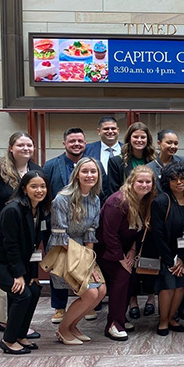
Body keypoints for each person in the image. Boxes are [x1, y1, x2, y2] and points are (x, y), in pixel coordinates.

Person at [0, 171, 51, 354]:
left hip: (13, 259)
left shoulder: (39, 209)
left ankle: (20, 335)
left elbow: (34, 246)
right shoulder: (13, 210)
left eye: (43, 186)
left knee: (34, 289)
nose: (39, 190)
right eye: (34, 186)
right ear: (24, 188)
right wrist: (18, 275)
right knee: (22, 294)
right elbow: (11, 245)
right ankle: (8, 341)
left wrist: (32, 276)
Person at [47, 157, 107, 345]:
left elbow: (91, 231)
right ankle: (63, 329)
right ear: (77, 174)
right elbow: (59, 234)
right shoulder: (62, 198)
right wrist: (81, 257)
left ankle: (73, 326)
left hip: (83, 250)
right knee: (89, 293)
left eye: (93, 171)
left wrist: (88, 257)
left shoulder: (95, 199)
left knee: (101, 290)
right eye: (85, 171)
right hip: (63, 250)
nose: (89, 175)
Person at [95, 166, 157, 341]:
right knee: (121, 278)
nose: (144, 185)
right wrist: (121, 258)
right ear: (131, 182)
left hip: (124, 249)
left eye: (148, 182)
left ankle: (120, 318)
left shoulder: (144, 201)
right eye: (140, 181)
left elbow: (138, 231)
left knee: (129, 280)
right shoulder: (118, 202)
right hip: (107, 250)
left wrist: (131, 251)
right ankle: (113, 325)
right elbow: (109, 234)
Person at [42, 127, 88, 323]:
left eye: (80, 141)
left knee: (84, 264)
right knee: (58, 265)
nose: (76, 144)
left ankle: (85, 302)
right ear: (64, 144)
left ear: (85, 143)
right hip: (57, 224)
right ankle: (59, 307)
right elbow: (45, 194)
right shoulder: (51, 165)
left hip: (85, 225)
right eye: (72, 141)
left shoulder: (91, 165)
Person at [147, 162, 184, 336]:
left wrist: (181, 258)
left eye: (182, 179)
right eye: (174, 180)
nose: (179, 182)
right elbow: (157, 234)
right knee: (168, 286)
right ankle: (163, 321)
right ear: (168, 181)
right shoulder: (161, 201)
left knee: (181, 285)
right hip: (164, 253)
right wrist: (172, 259)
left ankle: (173, 318)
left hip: (182, 252)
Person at [0, 132, 44, 240]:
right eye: (20, 145)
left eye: (29, 145)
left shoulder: (37, 170)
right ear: (10, 148)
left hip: (26, 233)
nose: (26, 148)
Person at [105, 121, 156, 199]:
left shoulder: (155, 160)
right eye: (135, 137)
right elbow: (112, 192)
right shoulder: (116, 162)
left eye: (143, 137)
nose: (139, 140)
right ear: (129, 139)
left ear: (148, 139)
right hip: (125, 206)